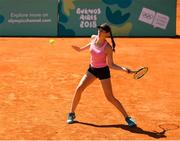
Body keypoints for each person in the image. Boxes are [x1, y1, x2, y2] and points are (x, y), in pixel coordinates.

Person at [67, 23, 136, 127]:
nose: (99, 31)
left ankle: (127, 117)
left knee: (110, 97)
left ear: (107, 34)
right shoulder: (93, 38)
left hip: (103, 71)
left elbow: (111, 65)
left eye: (102, 30)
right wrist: (79, 49)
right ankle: (71, 113)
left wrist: (123, 69)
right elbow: (89, 46)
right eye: (99, 29)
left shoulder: (107, 48)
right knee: (79, 88)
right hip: (92, 70)